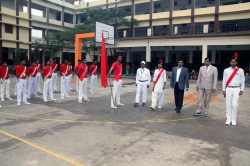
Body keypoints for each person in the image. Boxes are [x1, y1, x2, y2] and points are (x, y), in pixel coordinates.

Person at [222, 53, 245, 126]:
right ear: (230, 62)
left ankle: (234, 119)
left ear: (237, 62)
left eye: (234, 62)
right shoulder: (226, 70)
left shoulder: (240, 70)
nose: (233, 63)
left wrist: (241, 90)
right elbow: (224, 80)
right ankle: (228, 119)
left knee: (235, 105)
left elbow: (242, 80)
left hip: (236, 89)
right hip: (228, 88)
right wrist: (223, 90)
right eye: (232, 62)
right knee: (228, 104)